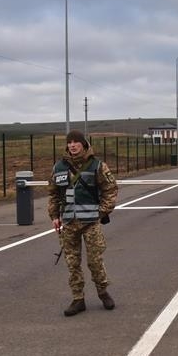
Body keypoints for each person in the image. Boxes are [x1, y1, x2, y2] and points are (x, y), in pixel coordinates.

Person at [48, 130, 118, 317]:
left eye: (76, 142)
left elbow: (110, 190)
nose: (72, 145)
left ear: (84, 144)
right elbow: (53, 194)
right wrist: (54, 215)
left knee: (95, 261)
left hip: (91, 222)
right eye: (69, 142)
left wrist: (101, 212)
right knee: (72, 263)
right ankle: (78, 299)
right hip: (69, 222)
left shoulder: (97, 166)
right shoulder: (59, 168)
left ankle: (103, 293)